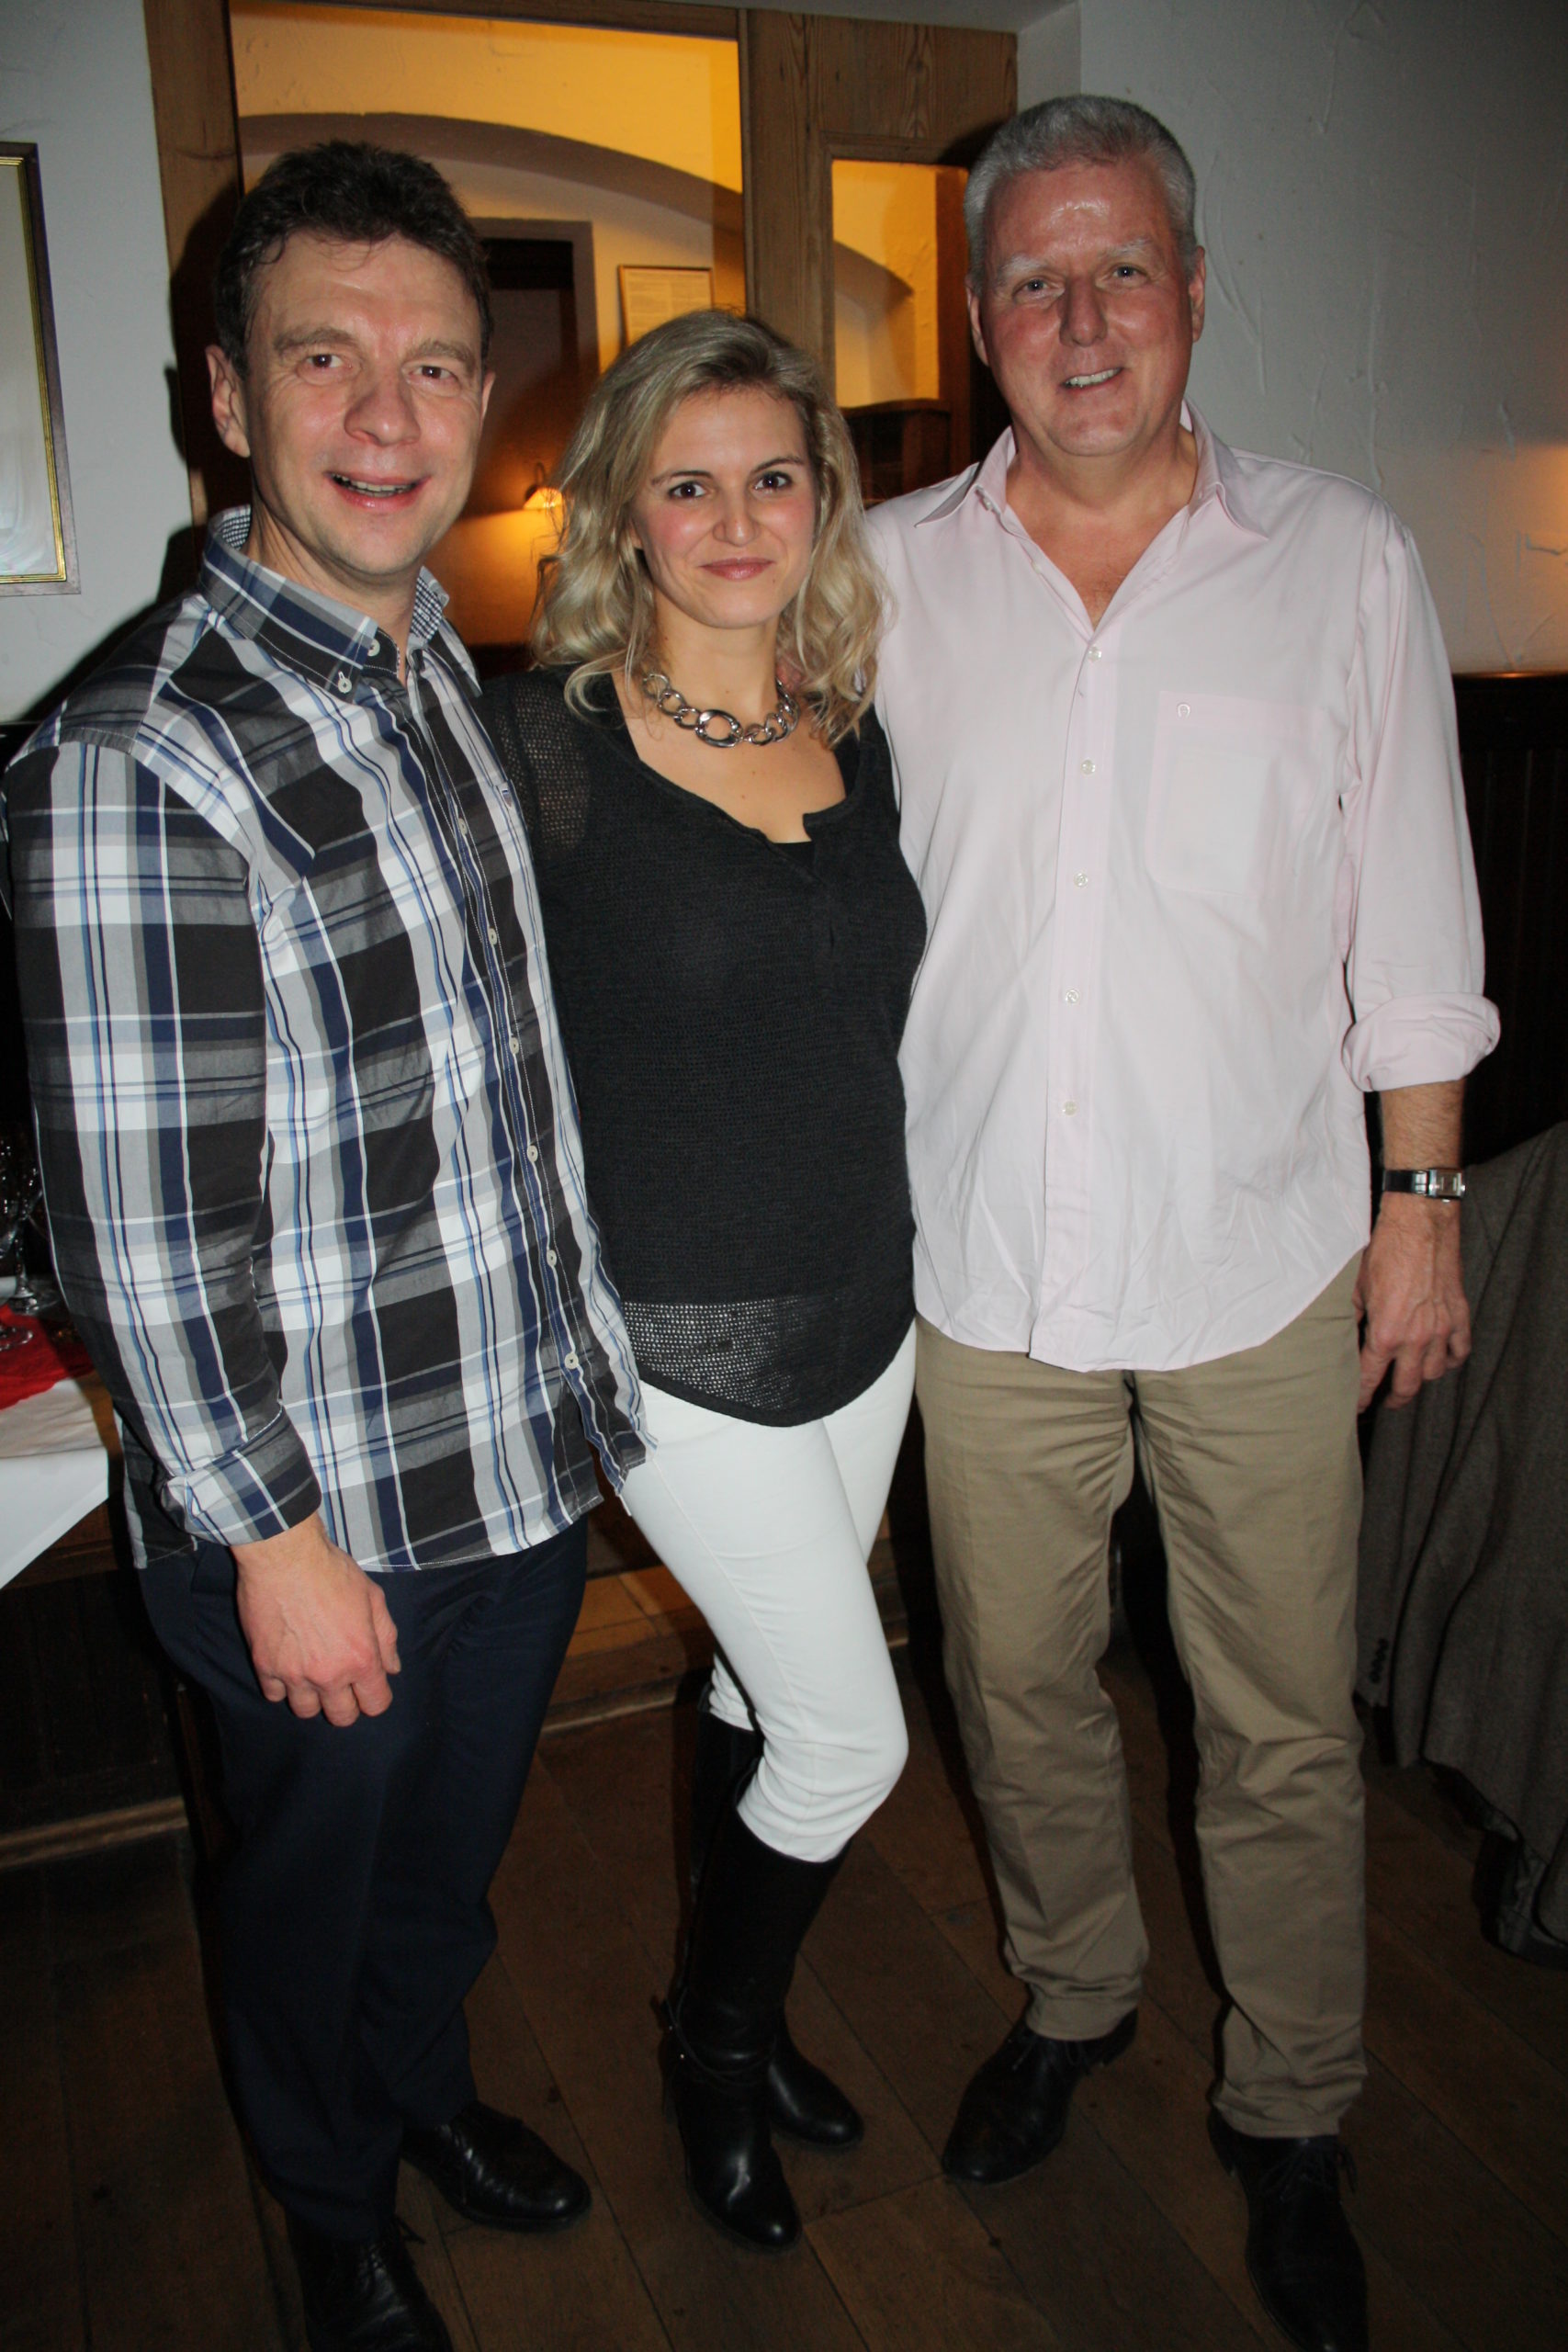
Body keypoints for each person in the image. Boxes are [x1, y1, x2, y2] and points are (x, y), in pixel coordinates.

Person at [867, 96, 1497, 2352]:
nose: (1080, 318)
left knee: (1277, 1723)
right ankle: (1072, 1993)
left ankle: (1292, 2105)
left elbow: (1410, 913)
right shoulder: (879, 573)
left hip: (1257, 1261)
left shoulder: (1339, 559)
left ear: (1194, 292)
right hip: (983, 1272)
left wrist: (1419, 1206)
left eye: (1118, 266)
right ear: (977, 320)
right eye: (1032, 278)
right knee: (1013, 1684)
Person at [2, 143, 644, 2352]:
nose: (388, 414)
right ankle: (327, 2195)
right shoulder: (135, 756)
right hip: (318, 1513)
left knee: (439, 1867)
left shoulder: (431, 664)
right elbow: (144, 1231)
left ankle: (418, 2086)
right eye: (323, 358)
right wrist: (271, 1539)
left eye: (436, 363)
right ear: (224, 396)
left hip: (508, 1455)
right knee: (308, 1888)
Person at [481, 310, 926, 2253]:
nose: (735, 518)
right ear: (623, 515)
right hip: (668, 1336)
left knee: (765, 1682)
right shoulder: (544, 751)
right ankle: (713, 2054)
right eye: (688, 482)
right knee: (850, 1734)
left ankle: (733, 2015)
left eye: (771, 476)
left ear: (819, 500)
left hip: (867, 1307)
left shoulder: (858, 725)